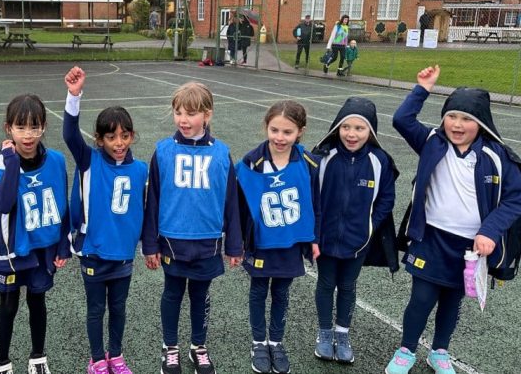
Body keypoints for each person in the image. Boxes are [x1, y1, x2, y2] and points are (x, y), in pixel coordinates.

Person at [385, 66, 521, 374]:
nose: (457, 125)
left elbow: (516, 198)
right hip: (430, 238)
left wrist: (489, 231)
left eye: (467, 119)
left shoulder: (497, 156)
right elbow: (401, 120)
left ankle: (439, 351)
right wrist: (423, 89)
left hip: (470, 247)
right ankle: (406, 349)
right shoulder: (432, 140)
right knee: (421, 298)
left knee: (451, 301)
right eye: (452, 116)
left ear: (481, 123)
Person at [141, 81, 243, 374]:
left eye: (190, 114)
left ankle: (198, 346)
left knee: (200, 295)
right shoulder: (163, 151)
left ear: (207, 115)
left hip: (208, 243)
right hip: (172, 241)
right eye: (178, 113)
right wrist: (150, 245)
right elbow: (153, 201)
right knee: (172, 293)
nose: (183, 120)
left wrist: (234, 245)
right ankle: (169, 348)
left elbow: (230, 202)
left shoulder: (221, 154)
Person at [62, 66, 147, 374]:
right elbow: (69, 134)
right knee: (97, 308)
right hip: (94, 251)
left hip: (122, 253)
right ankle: (97, 359)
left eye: (124, 136)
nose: (119, 142)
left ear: (132, 135)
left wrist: (146, 245)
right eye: (111, 137)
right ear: (99, 139)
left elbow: (145, 211)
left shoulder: (140, 170)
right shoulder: (89, 161)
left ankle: (117, 356)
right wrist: (74, 96)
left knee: (120, 309)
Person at [0, 93, 71, 374]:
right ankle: (2, 363)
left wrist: (62, 246)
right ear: (8, 128)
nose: (28, 134)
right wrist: (11, 162)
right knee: (8, 305)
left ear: (44, 127)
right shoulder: (2, 162)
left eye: (34, 127)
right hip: (11, 247)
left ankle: (38, 358)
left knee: (38, 300)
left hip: (42, 246)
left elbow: (63, 204)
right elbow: (3, 202)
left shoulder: (56, 161)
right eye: (21, 127)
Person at [235, 100, 321, 374]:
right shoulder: (252, 162)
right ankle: (259, 342)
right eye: (274, 130)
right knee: (259, 291)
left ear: (300, 132)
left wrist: (314, 238)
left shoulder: (308, 162)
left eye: (287, 132)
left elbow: (314, 203)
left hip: (291, 242)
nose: (280, 138)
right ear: (266, 127)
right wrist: (238, 242)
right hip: (261, 244)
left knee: (282, 293)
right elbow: (238, 206)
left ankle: (276, 341)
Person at [311, 97, 397, 365]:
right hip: (325, 240)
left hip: (358, 241)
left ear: (371, 131)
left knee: (348, 286)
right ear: (337, 127)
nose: (351, 134)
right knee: (325, 284)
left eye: (360, 129)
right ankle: (325, 334)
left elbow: (386, 198)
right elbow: (312, 195)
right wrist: (315, 232)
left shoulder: (379, 160)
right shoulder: (324, 157)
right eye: (346, 127)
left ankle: (343, 334)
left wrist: (370, 226)